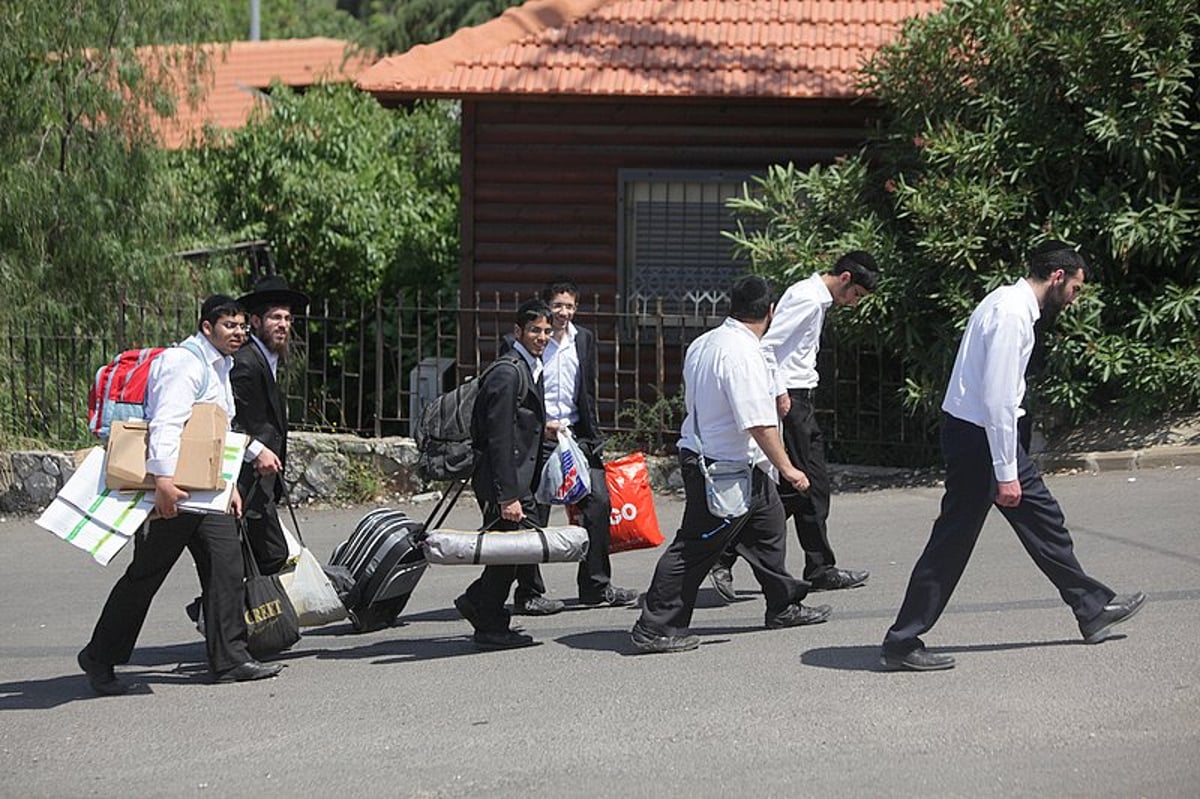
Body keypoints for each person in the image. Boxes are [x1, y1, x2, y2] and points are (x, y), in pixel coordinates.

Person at [880, 241, 1146, 671]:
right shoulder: (1012, 315)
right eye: (1076, 289)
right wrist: (1006, 472)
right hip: (980, 438)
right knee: (953, 540)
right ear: (1058, 277)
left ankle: (1092, 608)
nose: (1075, 300)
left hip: (985, 435)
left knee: (1044, 519)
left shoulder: (1009, 301)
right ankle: (901, 641)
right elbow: (997, 399)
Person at [77, 295, 282, 694]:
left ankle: (231, 659)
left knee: (226, 569)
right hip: (174, 493)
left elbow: (214, 431)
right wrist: (164, 482)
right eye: (229, 326)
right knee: (145, 578)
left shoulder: (219, 365)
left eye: (241, 326)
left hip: (206, 494)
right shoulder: (183, 364)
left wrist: (229, 485)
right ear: (207, 328)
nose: (238, 333)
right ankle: (99, 656)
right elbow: (166, 425)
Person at [631, 275, 832, 654]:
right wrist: (788, 468)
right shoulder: (742, 353)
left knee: (769, 524)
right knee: (695, 546)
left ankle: (783, 605)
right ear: (770, 312)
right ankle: (655, 626)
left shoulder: (707, 343)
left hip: (732, 462)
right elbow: (757, 421)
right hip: (721, 465)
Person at [709, 252, 878, 601]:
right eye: (856, 294)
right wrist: (781, 391)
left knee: (804, 489)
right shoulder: (807, 298)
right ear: (844, 278)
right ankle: (727, 554)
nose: (854, 303)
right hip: (791, 399)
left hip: (800, 397)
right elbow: (766, 345)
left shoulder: (816, 300)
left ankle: (818, 567)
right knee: (803, 486)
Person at [501, 279, 639, 615]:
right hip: (538, 437)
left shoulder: (584, 339)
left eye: (570, 306)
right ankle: (529, 592)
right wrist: (537, 426)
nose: (564, 313)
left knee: (598, 503)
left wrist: (590, 432)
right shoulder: (525, 342)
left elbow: (585, 389)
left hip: (575, 434)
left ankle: (595, 585)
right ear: (546, 307)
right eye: (558, 306)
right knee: (534, 515)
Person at [453, 299, 554, 650]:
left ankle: (480, 604)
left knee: (515, 551)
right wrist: (507, 495)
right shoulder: (509, 371)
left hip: (516, 476)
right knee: (509, 550)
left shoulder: (528, 368)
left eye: (546, 331)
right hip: (503, 479)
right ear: (517, 332)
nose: (541, 337)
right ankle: (489, 622)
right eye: (534, 330)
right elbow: (498, 437)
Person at [231, 275, 310, 576]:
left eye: (288, 318)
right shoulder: (245, 362)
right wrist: (255, 451)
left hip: (260, 485)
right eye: (275, 317)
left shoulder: (268, 359)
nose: (283, 324)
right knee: (272, 557)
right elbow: (231, 420)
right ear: (255, 320)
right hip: (246, 481)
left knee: (249, 563)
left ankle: (234, 615)